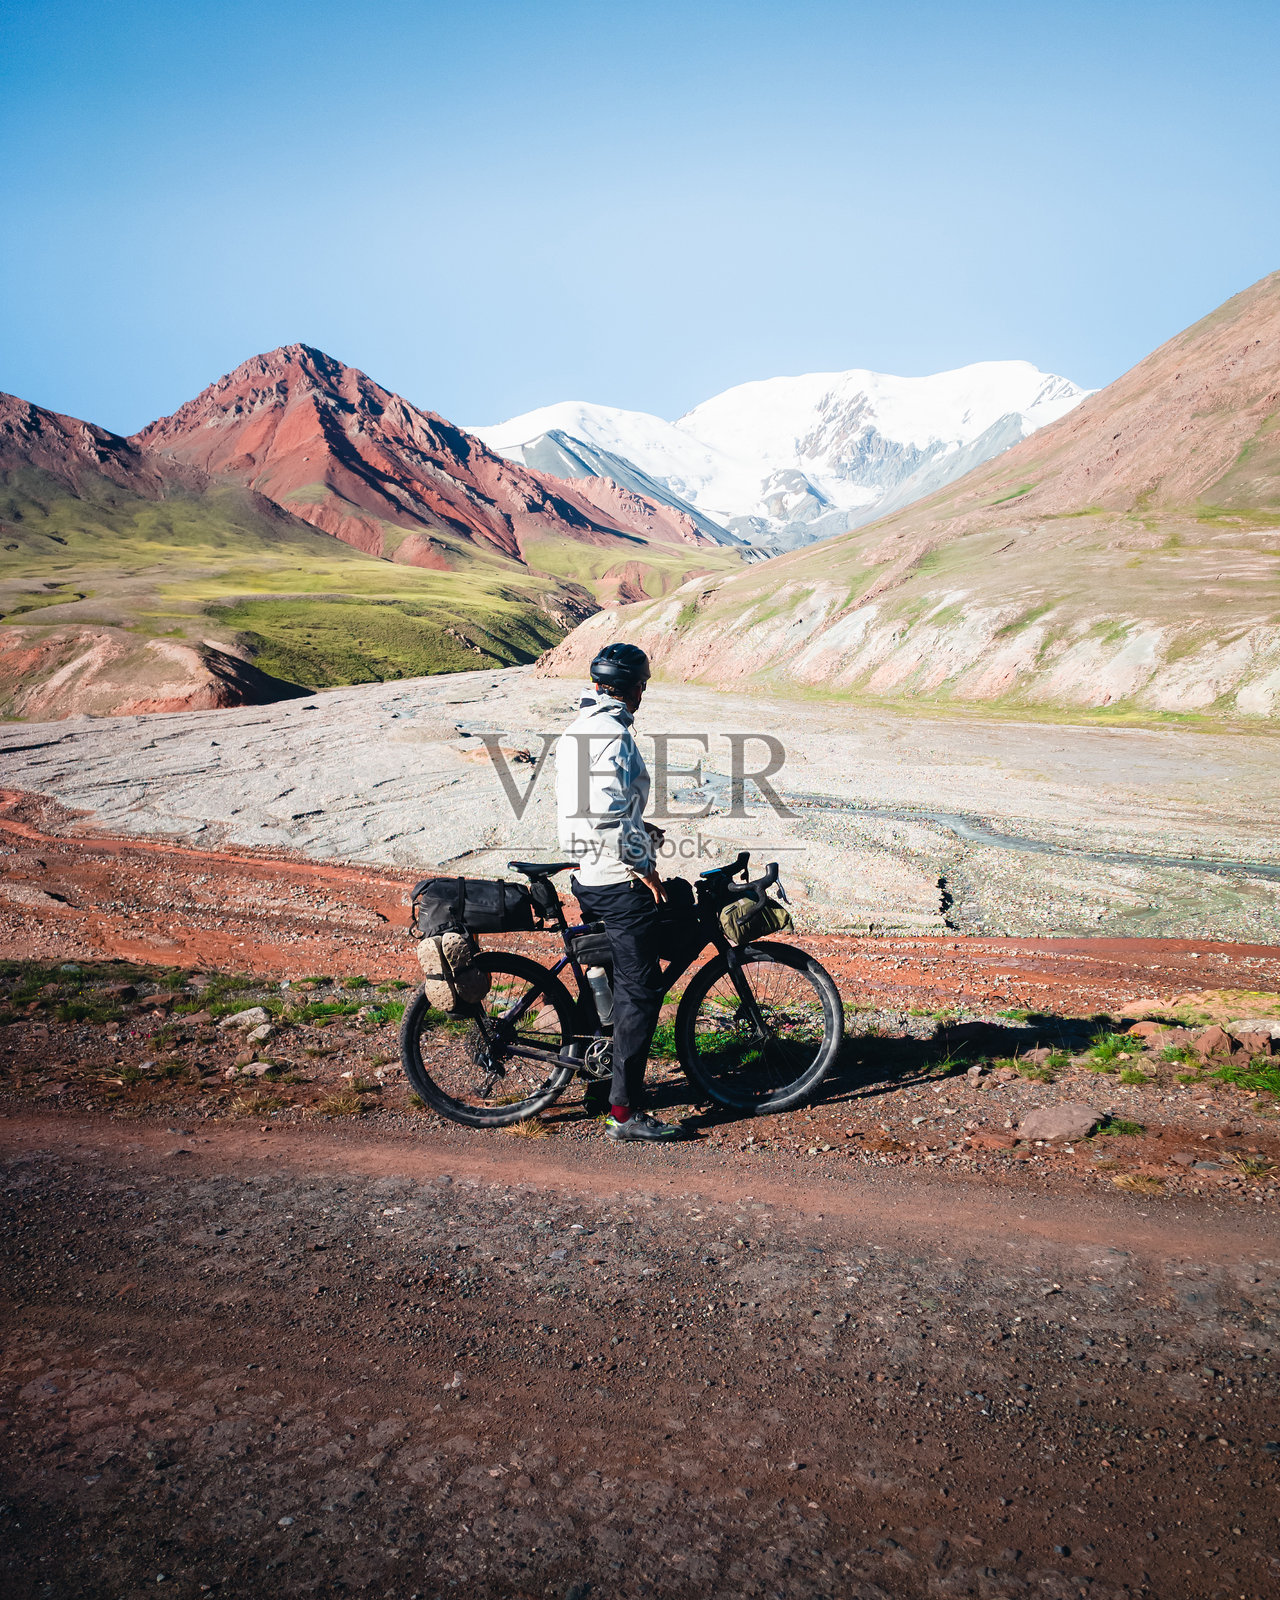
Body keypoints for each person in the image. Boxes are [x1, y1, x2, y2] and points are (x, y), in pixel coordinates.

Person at [554, 641, 682, 1142]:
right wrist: (644, 865)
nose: (643, 693)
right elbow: (606, 815)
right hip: (615, 879)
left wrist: (639, 825)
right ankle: (624, 1113)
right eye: (642, 685)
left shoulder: (577, 729)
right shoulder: (613, 734)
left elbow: (592, 806)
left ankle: (597, 1077)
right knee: (640, 992)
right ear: (633, 688)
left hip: (588, 873)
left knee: (604, 974)